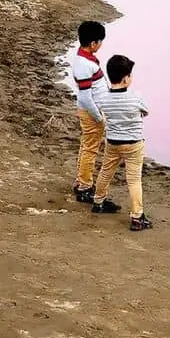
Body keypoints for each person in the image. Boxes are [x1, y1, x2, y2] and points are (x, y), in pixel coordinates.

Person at [92, 54, 153, 231]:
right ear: (126, 79)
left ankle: (98, 201)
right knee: (134, 179)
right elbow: (146, 111)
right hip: (133, 143)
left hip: (113, 142)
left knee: (105, 171)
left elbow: (104, 113)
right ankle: (137, 217)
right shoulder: (136, 96)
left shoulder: (104, 98)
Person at [71, 21, 109, 203]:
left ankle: (81, 181)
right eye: (100, 41)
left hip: (90, 111)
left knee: (87, 146)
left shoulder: (85, 59)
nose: (101, 45)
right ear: (93, 43)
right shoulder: (84, 64)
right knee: (90, 149)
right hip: (91, 113)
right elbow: (86, 98)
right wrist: (99, 117)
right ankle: (85, 185)